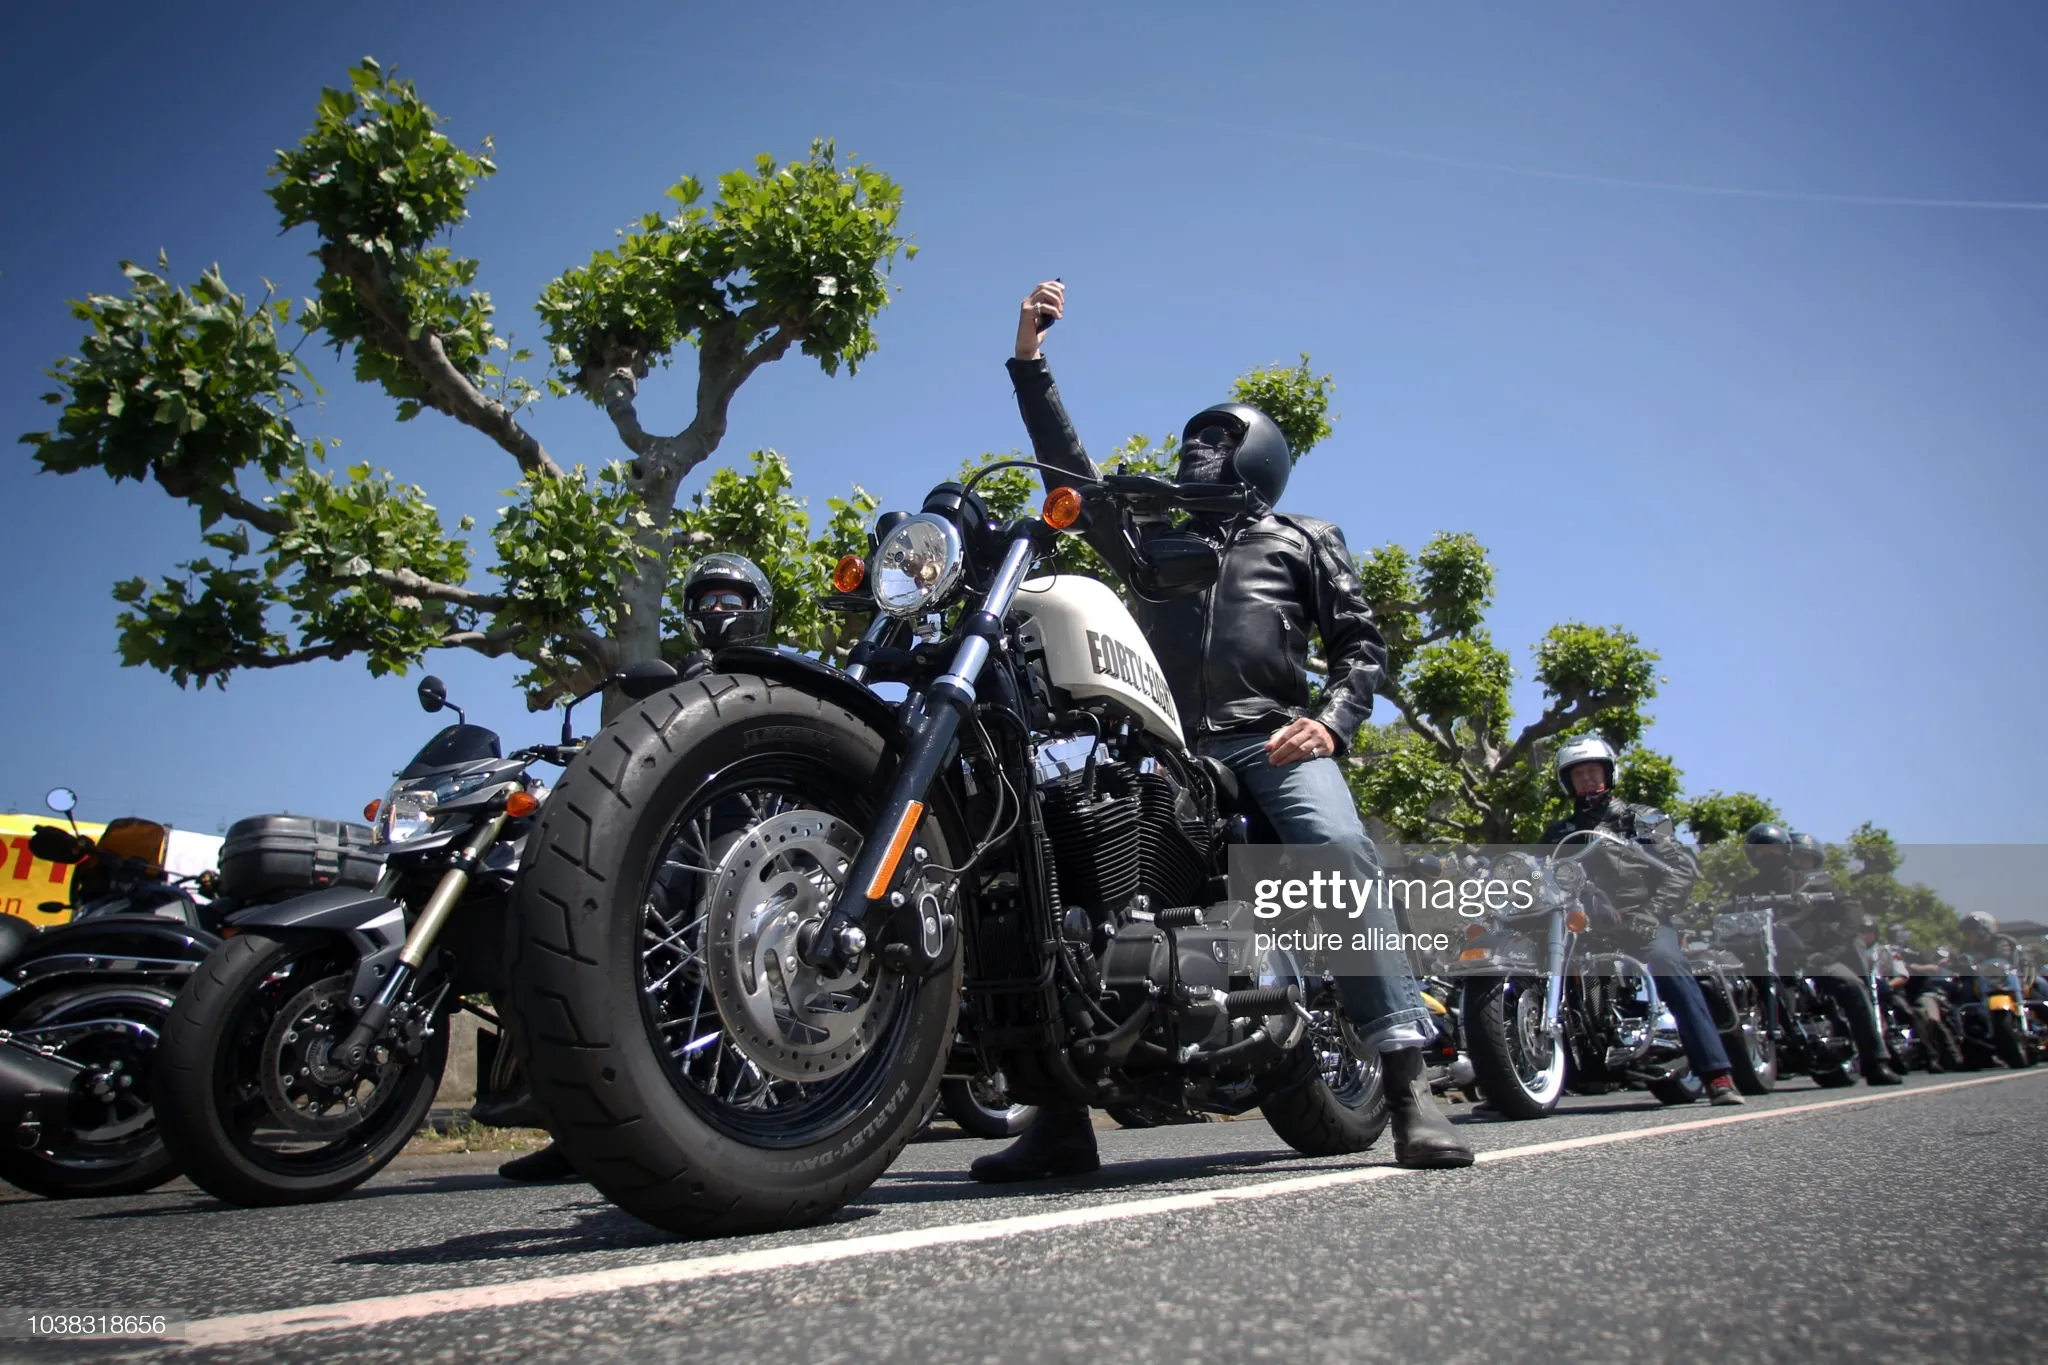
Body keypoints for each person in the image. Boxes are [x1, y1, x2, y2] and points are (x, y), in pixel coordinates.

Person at [971, 279, 1471, 1181]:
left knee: (1336, 847)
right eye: (1193, 437)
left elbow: (1364, 646)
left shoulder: (1303, 537)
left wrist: (1330, 721)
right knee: (1046, 860)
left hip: (1266, 738)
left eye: (1217, 438)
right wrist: (1030, 363)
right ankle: (1058, 1110)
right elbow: (1069, 480)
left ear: (1260, 456)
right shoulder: (1155, 536)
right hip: (1166, 747)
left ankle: (1407, 1087)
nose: (1196, 449)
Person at [490, 552, 777, 1182]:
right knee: (588, 944)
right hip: (674, 838)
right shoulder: (677, 684)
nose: (716, 612)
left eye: (729, 600)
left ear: (756, 607)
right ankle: (582, 1125)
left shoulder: (775, 676)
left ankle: (742, 1106)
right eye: (705, 602)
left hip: (745, 834)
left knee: (705, 955)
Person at [1540, 735, 1745, 1106]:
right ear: (1567, 782)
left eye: (1593, 771)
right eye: (1578, 774)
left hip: (1641, 919)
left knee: (1667, 962)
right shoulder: (1559, 833)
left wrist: (1652, 913)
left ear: (1609, 773)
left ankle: (1717, 1074)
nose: (1586, 779)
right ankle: (1510, 1075)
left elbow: (1682, 868)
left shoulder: (1641, 819)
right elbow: (1540, 876)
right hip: (1582, 925)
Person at [1732, 823, 1901, 1085]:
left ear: (1785, 850)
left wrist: (1829, 951)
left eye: (1773, 849)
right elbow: (1727, 917)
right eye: (1760, 851)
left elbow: (1849, 913)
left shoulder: (1812, 882)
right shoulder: (1745, 889)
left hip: (1810, 957)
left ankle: (1875, 1062)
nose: (1767, 855)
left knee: (1851, 985)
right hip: (1762, 960)